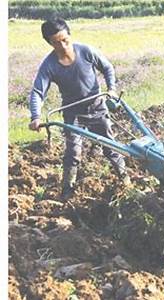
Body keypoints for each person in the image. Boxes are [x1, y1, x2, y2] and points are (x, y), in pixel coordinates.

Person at [28, 17, 130, 200]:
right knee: (73, 151)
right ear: (49, 43)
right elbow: (37, 91)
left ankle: (125, 179)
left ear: (69, 35)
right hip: (73, 112)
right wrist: (35, 116)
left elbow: (107, 68)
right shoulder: (49, 65)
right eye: (56, 43)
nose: (63, 46)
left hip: (97, 106)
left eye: (65, 40)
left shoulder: (86, 51)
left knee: (110, 146)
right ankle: (68, 190)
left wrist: (112, 89)